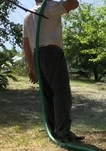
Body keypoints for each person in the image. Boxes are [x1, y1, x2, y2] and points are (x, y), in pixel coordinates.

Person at [22, 0, 84, 142]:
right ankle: (62, 131)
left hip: (38, 56)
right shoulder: (50, 7)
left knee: (48, 94)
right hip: (52, 54)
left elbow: (26, 43)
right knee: (61, 93)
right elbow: (74, 3)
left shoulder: (28, 15)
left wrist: (32, 67)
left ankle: (53, 130)